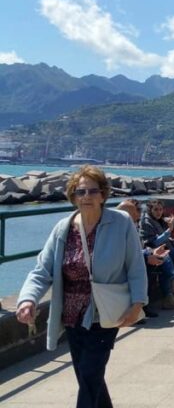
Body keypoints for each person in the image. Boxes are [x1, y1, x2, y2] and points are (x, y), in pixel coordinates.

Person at [16, 165, 147, 408]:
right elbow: (42, 270)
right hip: (72, 315)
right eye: (80, 191)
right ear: (73, 195)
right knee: (89, 378)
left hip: (104, 313)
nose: (86, 196)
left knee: (89, 375)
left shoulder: (121, 223)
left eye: (92, 191)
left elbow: (136, 267)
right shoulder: (63, 229)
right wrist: (27, 299)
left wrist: (137, 304)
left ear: (103, 194)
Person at [116, 200, 174, 312]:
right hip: (126, 264)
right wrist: (148, 254)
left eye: (137, 212)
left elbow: (137, 247)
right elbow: (125, 252)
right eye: (134, 213)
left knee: (167, 259)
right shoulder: (120, 229)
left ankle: (172, 295)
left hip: (141, 256)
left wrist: (151, 252)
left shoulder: (134, 224)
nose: (138, 215)